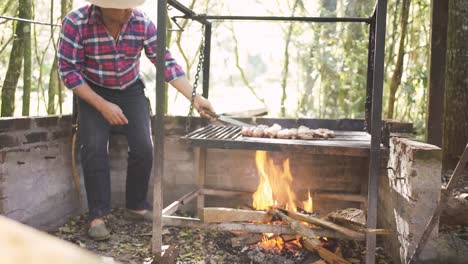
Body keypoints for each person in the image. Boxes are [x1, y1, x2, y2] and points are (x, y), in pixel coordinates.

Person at [58, 0, 214, 240]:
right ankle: (97, 216)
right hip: (92, 90)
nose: (129, 8)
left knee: (144, 148)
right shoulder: (75, 22)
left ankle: (136, 206)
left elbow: (165, 62)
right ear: (101, 6)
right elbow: (68, 72)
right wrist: (102, 105)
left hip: (131, 89)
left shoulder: (140, 22)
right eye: (122, 5)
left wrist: (195, 97)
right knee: (94, 148)